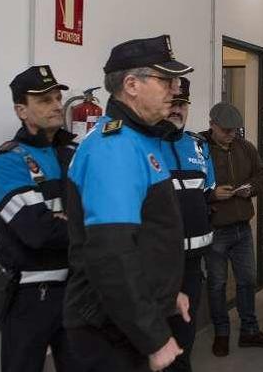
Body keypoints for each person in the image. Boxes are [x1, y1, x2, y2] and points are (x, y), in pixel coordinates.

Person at [63, 35, 193, 372]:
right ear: (131, 85)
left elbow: (149, 236)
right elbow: (112, 254)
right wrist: (153, 337)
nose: (175, 89)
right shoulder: (114, 149)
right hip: (110, 328)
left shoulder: (139, 140)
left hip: (135, 315)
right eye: (166, 80)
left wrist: (167, 295)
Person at [0, 65, 80, 372]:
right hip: (28, 296)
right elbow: (38, 232)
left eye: (56, 98)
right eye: (43, 100)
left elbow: (101, 208)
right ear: (21, 110)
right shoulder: (8, 161)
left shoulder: (72, 152)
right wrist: (86, 225)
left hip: (76, 289)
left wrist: (66, 220)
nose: (55, 106)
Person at [201, 102, 263, 356]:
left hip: (242, 229)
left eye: (235, 130)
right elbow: (189, 189)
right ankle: (221, 333)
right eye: (226, 130)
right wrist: (212, 195)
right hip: (215, 232)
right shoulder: (200, 151)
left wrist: (251, 188)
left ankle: (249, 330)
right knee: (217, 285)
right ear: (212, 124)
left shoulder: (245, 148)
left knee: (247, 281)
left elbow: (262, 174)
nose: (231, 134)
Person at [161, 77, 216, 372]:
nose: (177, 110)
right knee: (154, 343)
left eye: (182, 104)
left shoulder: (198, 146)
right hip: (156, 267)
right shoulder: (143, 146)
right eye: (171, 103)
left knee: (184, 341)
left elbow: (207, 197)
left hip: (193, 266)